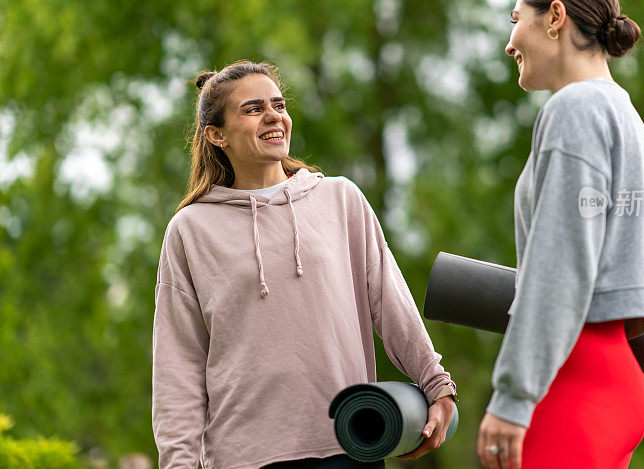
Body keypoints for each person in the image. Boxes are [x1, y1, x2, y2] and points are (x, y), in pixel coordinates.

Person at [152, 60, 456, 469]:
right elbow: (178, 366)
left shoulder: (340, 199)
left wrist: (437, 386)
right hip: (244, 457)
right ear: (216, 134)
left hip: (349, 445)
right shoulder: (190, 230)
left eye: (278, 105)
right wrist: (178, 463)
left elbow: (392, 305)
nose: (274, 116)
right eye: (254, 109)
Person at [476, 0, 644, 469]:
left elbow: (560, 265)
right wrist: (615, 343)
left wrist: (514, 395)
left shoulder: (572, 110)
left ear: (555, 16)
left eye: (515, 19)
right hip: (616, 388)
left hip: (571, 386)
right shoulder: (625, 116)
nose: (510, 43)